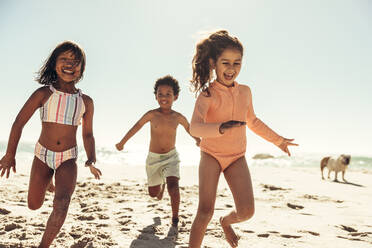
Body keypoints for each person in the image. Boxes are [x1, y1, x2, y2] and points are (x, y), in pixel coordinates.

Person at [187, 30, 298, 248]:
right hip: (211, 155)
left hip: (236, 157)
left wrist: (278, 140)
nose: (231, 68)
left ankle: (226, 222)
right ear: (213, 63)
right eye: (225, 62)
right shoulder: (207, 94)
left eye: (237, 63)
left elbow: (253, 121)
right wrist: (220, 128)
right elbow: (194, 127)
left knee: (247, 211)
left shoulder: (245, 92)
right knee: (205, 211)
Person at [0, 41, 102, 248]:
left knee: (62, 203)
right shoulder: (44, 94)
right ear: (54, 63)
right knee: (33, 205)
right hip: (42, 155)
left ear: (82, 68)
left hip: (68, 157)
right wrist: (10, 154)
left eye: (75, 61)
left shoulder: (86, 101)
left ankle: (43, 245)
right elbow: (18, 123)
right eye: (64, 59)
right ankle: (48, 182)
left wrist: (91, 158)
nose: (70, 64)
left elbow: (88, 133)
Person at [115, 75, 200, 227]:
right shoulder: (151, 114)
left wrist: (197, 140)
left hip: (171, 157)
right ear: (155, 96)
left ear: (176, 96)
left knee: (173, 186)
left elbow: (190, 129)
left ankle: (175, 217)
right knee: (153, 194)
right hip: (153, 159)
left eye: (168, 94)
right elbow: (136, 127)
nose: (164, 97)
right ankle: (160, 188)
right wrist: (122, 142)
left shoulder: (178, 117)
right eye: (160, 94)